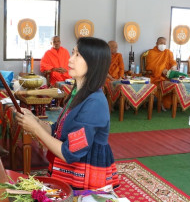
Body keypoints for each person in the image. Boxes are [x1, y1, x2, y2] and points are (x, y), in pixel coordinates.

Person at [16, 37, 119, 190]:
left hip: (85, 174)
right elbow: (57, 129)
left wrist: (35, 129)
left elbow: (70, 152)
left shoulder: (95, 102)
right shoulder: (78, 92)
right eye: (72, 53)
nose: (70, 60)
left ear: (93, 62)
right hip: (71, 168)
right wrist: (35, 120)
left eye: (77, 55)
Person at [146, 37, 177, 110]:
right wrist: (161, 70)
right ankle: (162, 102)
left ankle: (170, 103)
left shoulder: (168, 52)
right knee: (161, 83)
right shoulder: (151, 52)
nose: (162, 45)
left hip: (167, 76)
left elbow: (173, 62)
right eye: (161, 43)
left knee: (174, 83)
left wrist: (173, 67)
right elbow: (149, 66)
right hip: (155, 77)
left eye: (164, 43)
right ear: (156, 44)